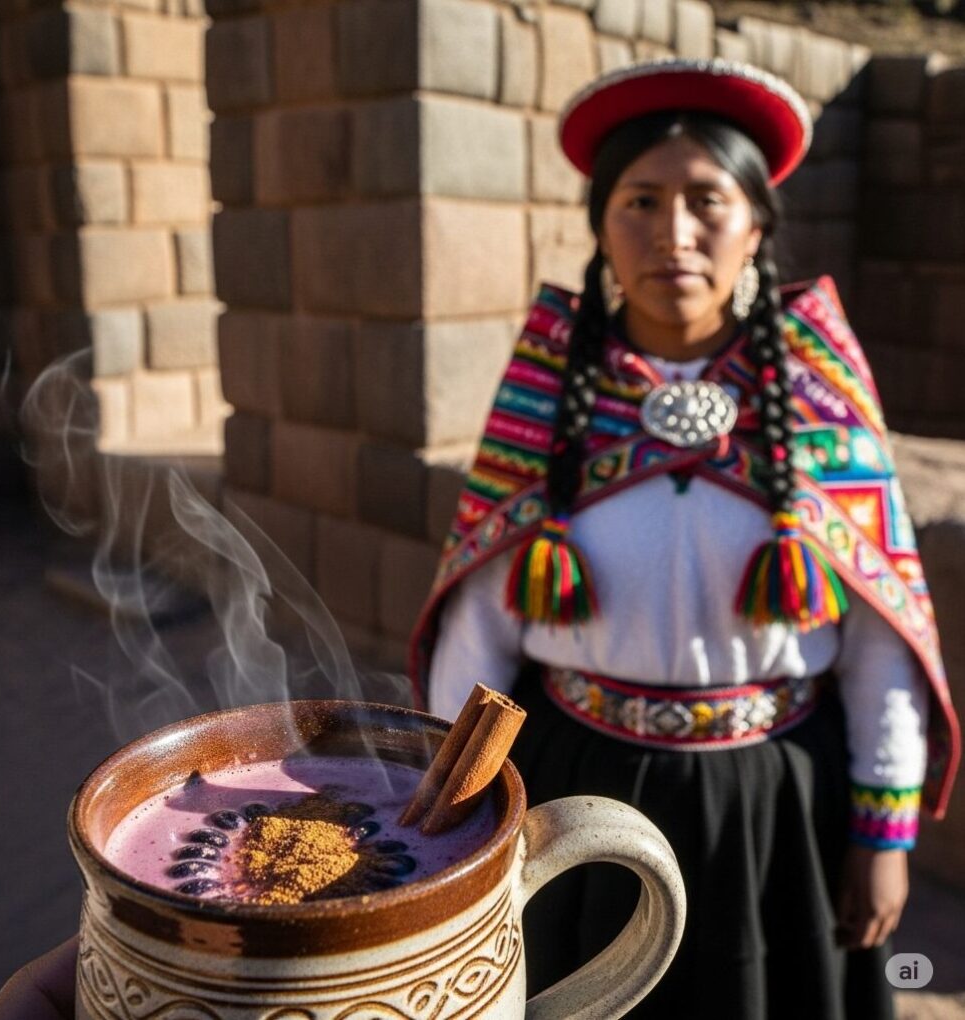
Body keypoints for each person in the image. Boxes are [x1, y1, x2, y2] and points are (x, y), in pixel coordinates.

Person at [408, 59, 959, 1020]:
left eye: (708, 200)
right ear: (600, 227)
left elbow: (879, 643)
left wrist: (883, 835)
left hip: (778, 806)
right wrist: (451, 819)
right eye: (639, 201)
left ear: (757, 226)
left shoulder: (818, 400)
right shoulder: (551, 400)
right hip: (578, 799)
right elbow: (480, 636)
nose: (673, 233)